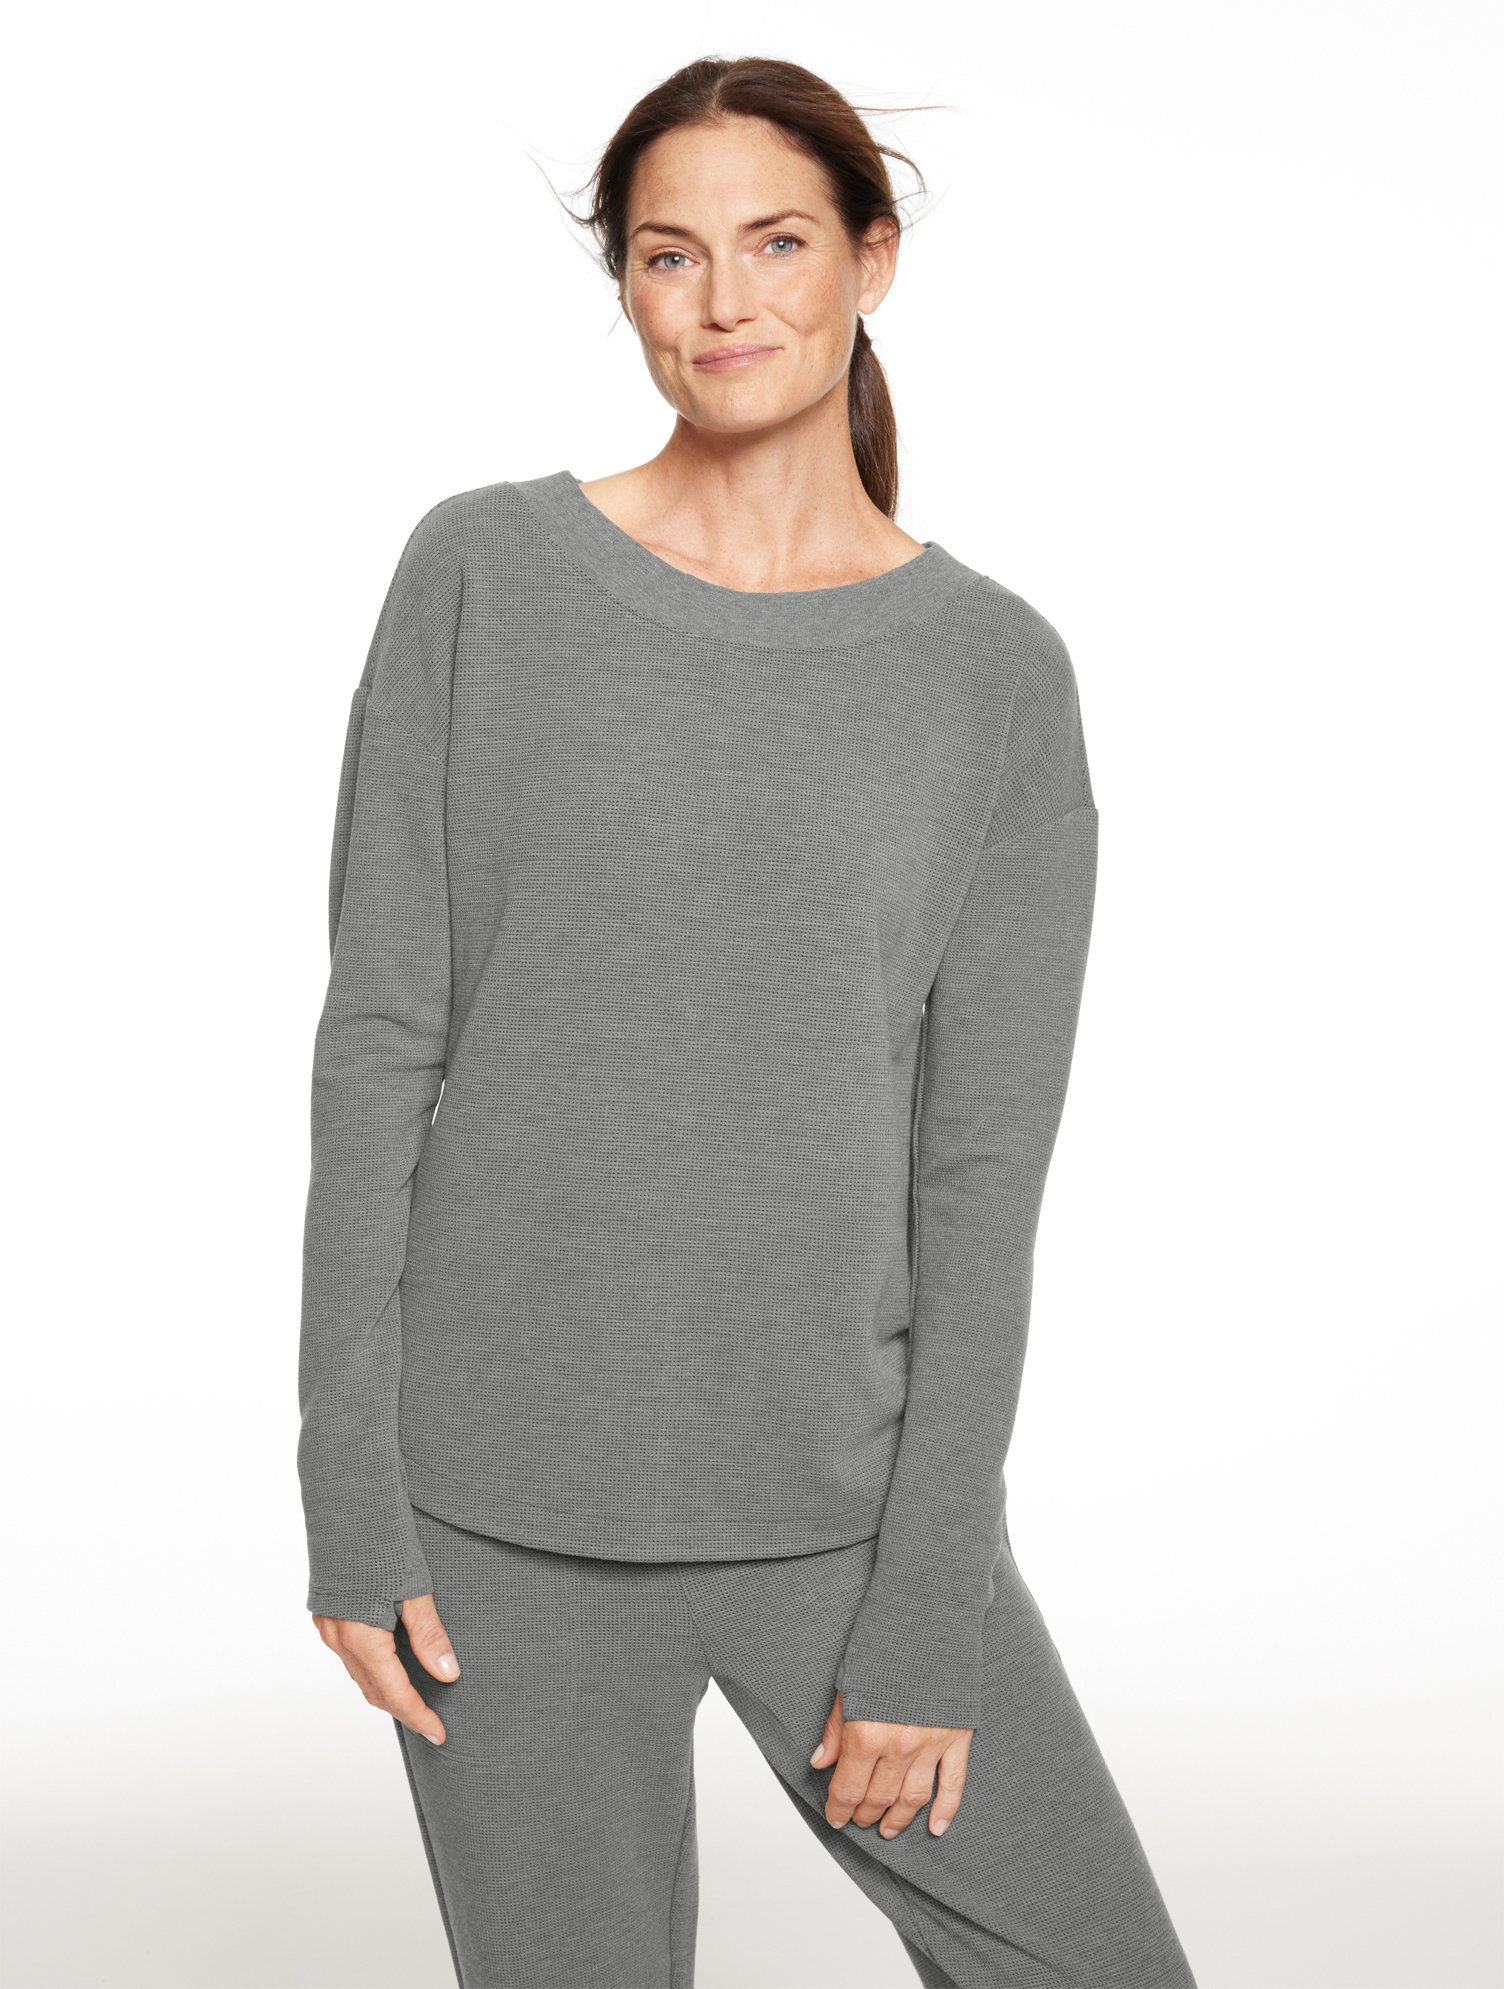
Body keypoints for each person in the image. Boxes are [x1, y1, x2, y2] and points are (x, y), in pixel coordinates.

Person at [296, 53, 1199, 1989]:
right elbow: (378, 1043)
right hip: (493, 1516)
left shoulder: (991, 675)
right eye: (667, 254)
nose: (721, 301)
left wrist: (929, 1603)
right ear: (623, 283)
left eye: (776, 243)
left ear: (871, 260)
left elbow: (978, 1173)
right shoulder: (481, 573)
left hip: (837, 1506)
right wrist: (348, 1496)